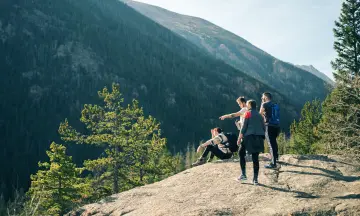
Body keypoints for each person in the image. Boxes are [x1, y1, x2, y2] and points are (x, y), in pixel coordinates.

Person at [237, 100, 265, 185]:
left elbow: (244, 126)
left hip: (249, 137)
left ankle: (243, 174)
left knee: (241, 153)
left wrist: (239, 138)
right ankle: (255, 179)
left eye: (247, 105)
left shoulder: (248, 113)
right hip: (259, 137)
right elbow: (264, 127)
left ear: (249, 105)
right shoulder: (260, 115)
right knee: (255, 158)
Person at [260, 92, 280, 169]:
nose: (262, 98)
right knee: (274, 142)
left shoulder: (264, 104)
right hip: (277, 126)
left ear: (265, 97)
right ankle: (276, 157)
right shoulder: (275, 104)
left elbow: (260, 114)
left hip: (269, 126)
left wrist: (262, 103)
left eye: (262, 97)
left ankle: (273, 163)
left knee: (271, 144)